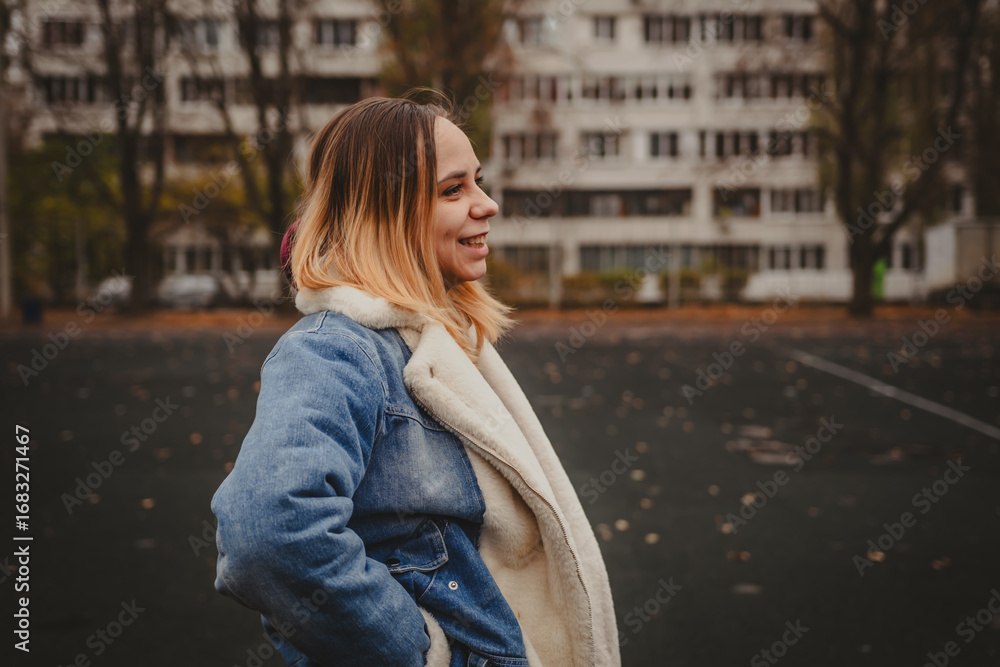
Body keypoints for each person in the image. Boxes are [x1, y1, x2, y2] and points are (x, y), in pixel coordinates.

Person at [211, 93, 620, 667]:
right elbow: (266, 536)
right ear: (385, 212)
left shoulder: (436, 336)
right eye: (453, 190)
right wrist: (424, 654)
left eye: (478, 181)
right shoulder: (336, 350)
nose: (488, 204)